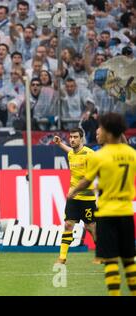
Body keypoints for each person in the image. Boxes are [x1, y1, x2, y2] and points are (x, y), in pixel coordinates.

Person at [67, 113, 136, 296]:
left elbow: (87, 181)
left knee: (111, 260)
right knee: (129, 260)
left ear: (107, 131)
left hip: (106, 214)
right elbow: (125, 146)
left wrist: (74, 191)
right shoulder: (131, 154)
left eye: (102, 129)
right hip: (126, 213)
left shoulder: (99, 156)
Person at [53, 128, 97, 264]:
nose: (72, 139)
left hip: (87, 198)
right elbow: (71, 151)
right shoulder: (71, 153)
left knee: (91, 228)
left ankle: (102, 253)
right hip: (73, 198)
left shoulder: (90, 154)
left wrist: (77, 190)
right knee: (68, 224)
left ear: (81, 138)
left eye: (75, 137)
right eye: (70, 137)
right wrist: (60, 144)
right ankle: (62, 257)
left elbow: (91, 177)